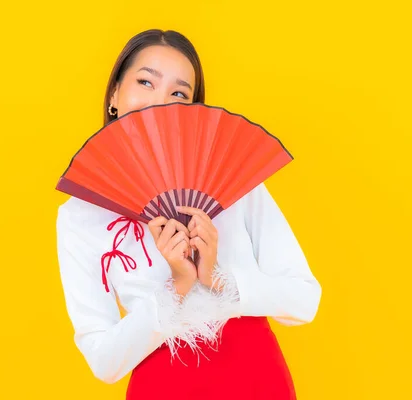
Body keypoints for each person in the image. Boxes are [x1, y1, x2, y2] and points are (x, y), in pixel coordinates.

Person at [55, 29, 321, 400]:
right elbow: (104, 360)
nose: (159, 101)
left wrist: (217, 278)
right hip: (162, 386)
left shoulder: (234, 175)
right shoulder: (81, 216)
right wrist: (175, 288)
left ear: (193, 106)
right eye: (145, 81)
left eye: (179, 93)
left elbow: (304, 299)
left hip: (256, 379)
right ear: (115, 93)